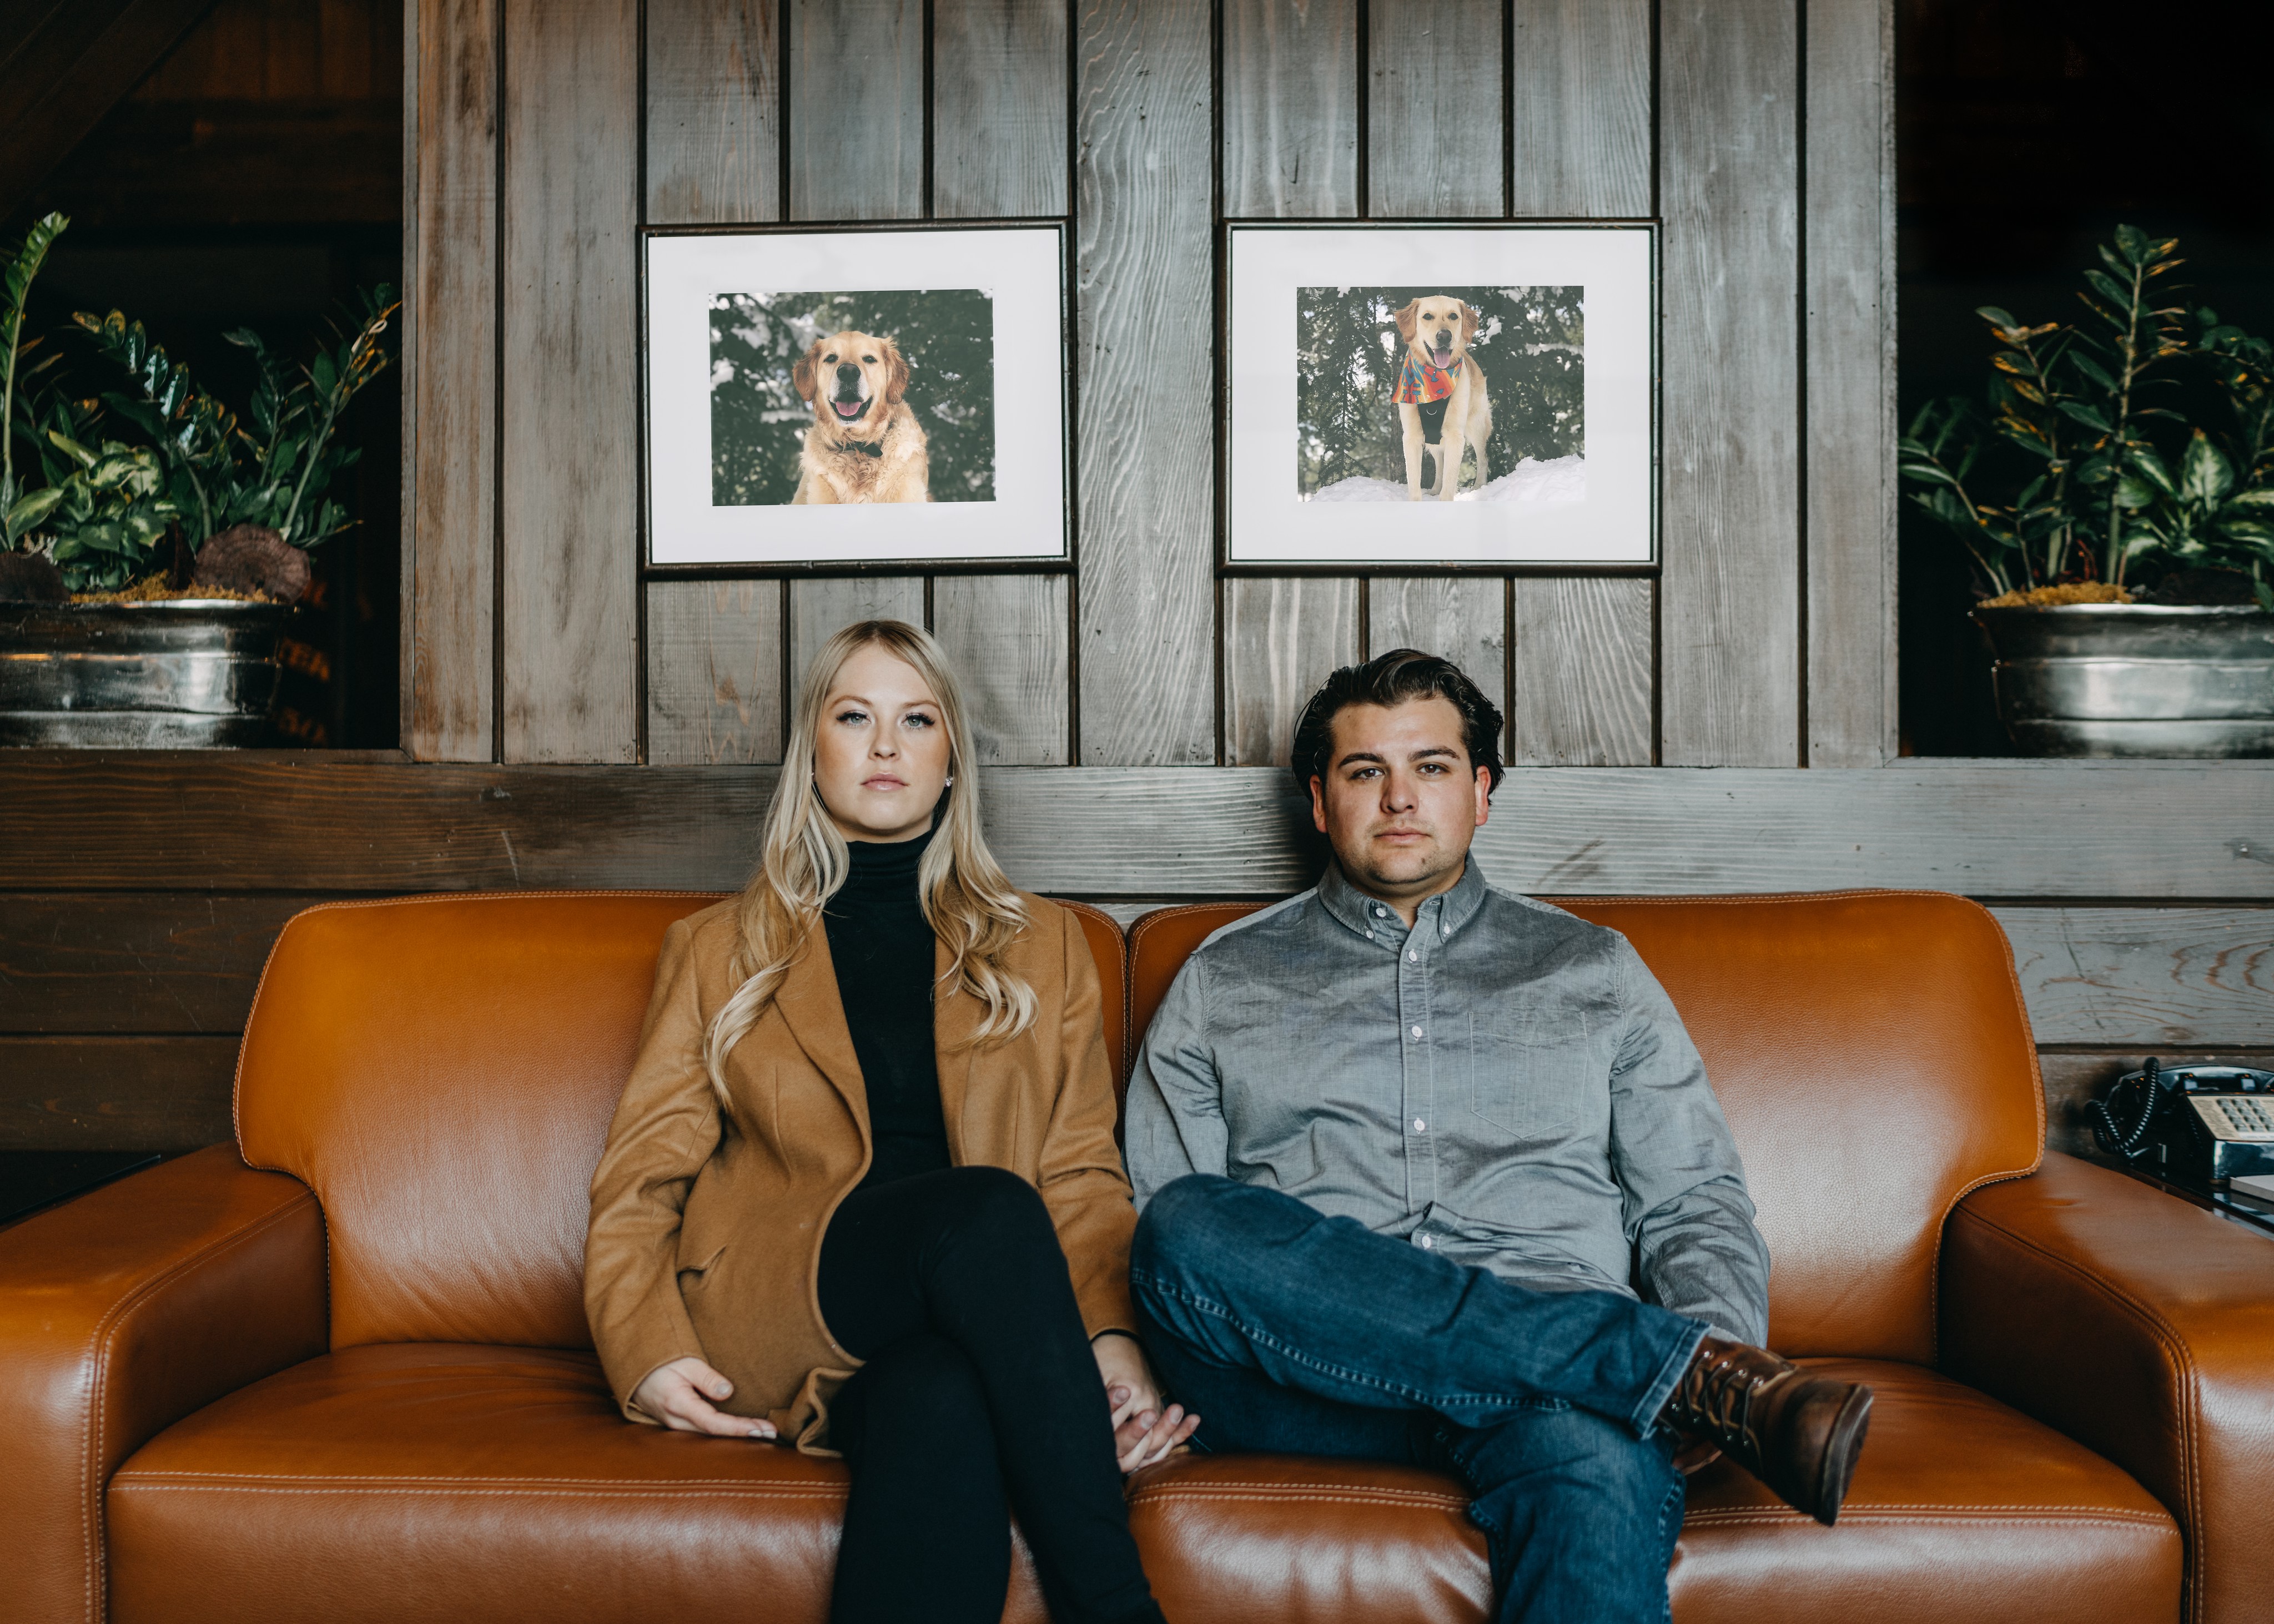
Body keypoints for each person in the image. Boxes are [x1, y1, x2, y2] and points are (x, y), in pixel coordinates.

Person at [1121, 649, 1873, 1624]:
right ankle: (1664, 1370)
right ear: (1319, 802)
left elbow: (1693, 1204)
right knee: (1187, 1222)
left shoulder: (1593, 969)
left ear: (1481, 793)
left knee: (1595, 1459)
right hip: (1303, 1377)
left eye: (1431, 767)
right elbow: (1170, 1245)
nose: (1399, 797)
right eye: (1365, 771)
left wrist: (1721, 1328)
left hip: (1553, 1391)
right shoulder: (1223, 979)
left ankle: (1652, 1370)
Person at [585, 621, 1196, 1624]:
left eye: (916, 720)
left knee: (939, 1397)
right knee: (989, 1210)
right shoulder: (715, 948)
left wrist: (1111, 1339)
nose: (884, 745)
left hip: (970, 1314)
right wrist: (644, 1350)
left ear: (950, 757)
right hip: (782, 1291)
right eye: (853, 717)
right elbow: (638, 1177)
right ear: (813, 752)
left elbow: (1082, 1173)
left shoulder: (1047, 945)